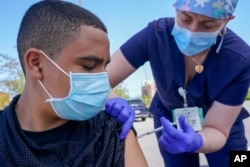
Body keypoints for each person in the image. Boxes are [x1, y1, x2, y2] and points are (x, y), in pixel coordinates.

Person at [0, 0, 148, 166]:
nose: (102, 80)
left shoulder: (111, 134)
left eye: (104, 67)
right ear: (36, 64)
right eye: (89, 66)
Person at [106, 0, 250, 166]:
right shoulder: (155, 35)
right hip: (170, 122)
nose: (192, 31)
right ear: (175, 8)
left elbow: (218, 130)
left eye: (208, 25)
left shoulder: (241, 59)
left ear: (227, 20)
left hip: (224, 126)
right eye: (185, 18)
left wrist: (199, 141)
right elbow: (102, 77)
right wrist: (111, 98)